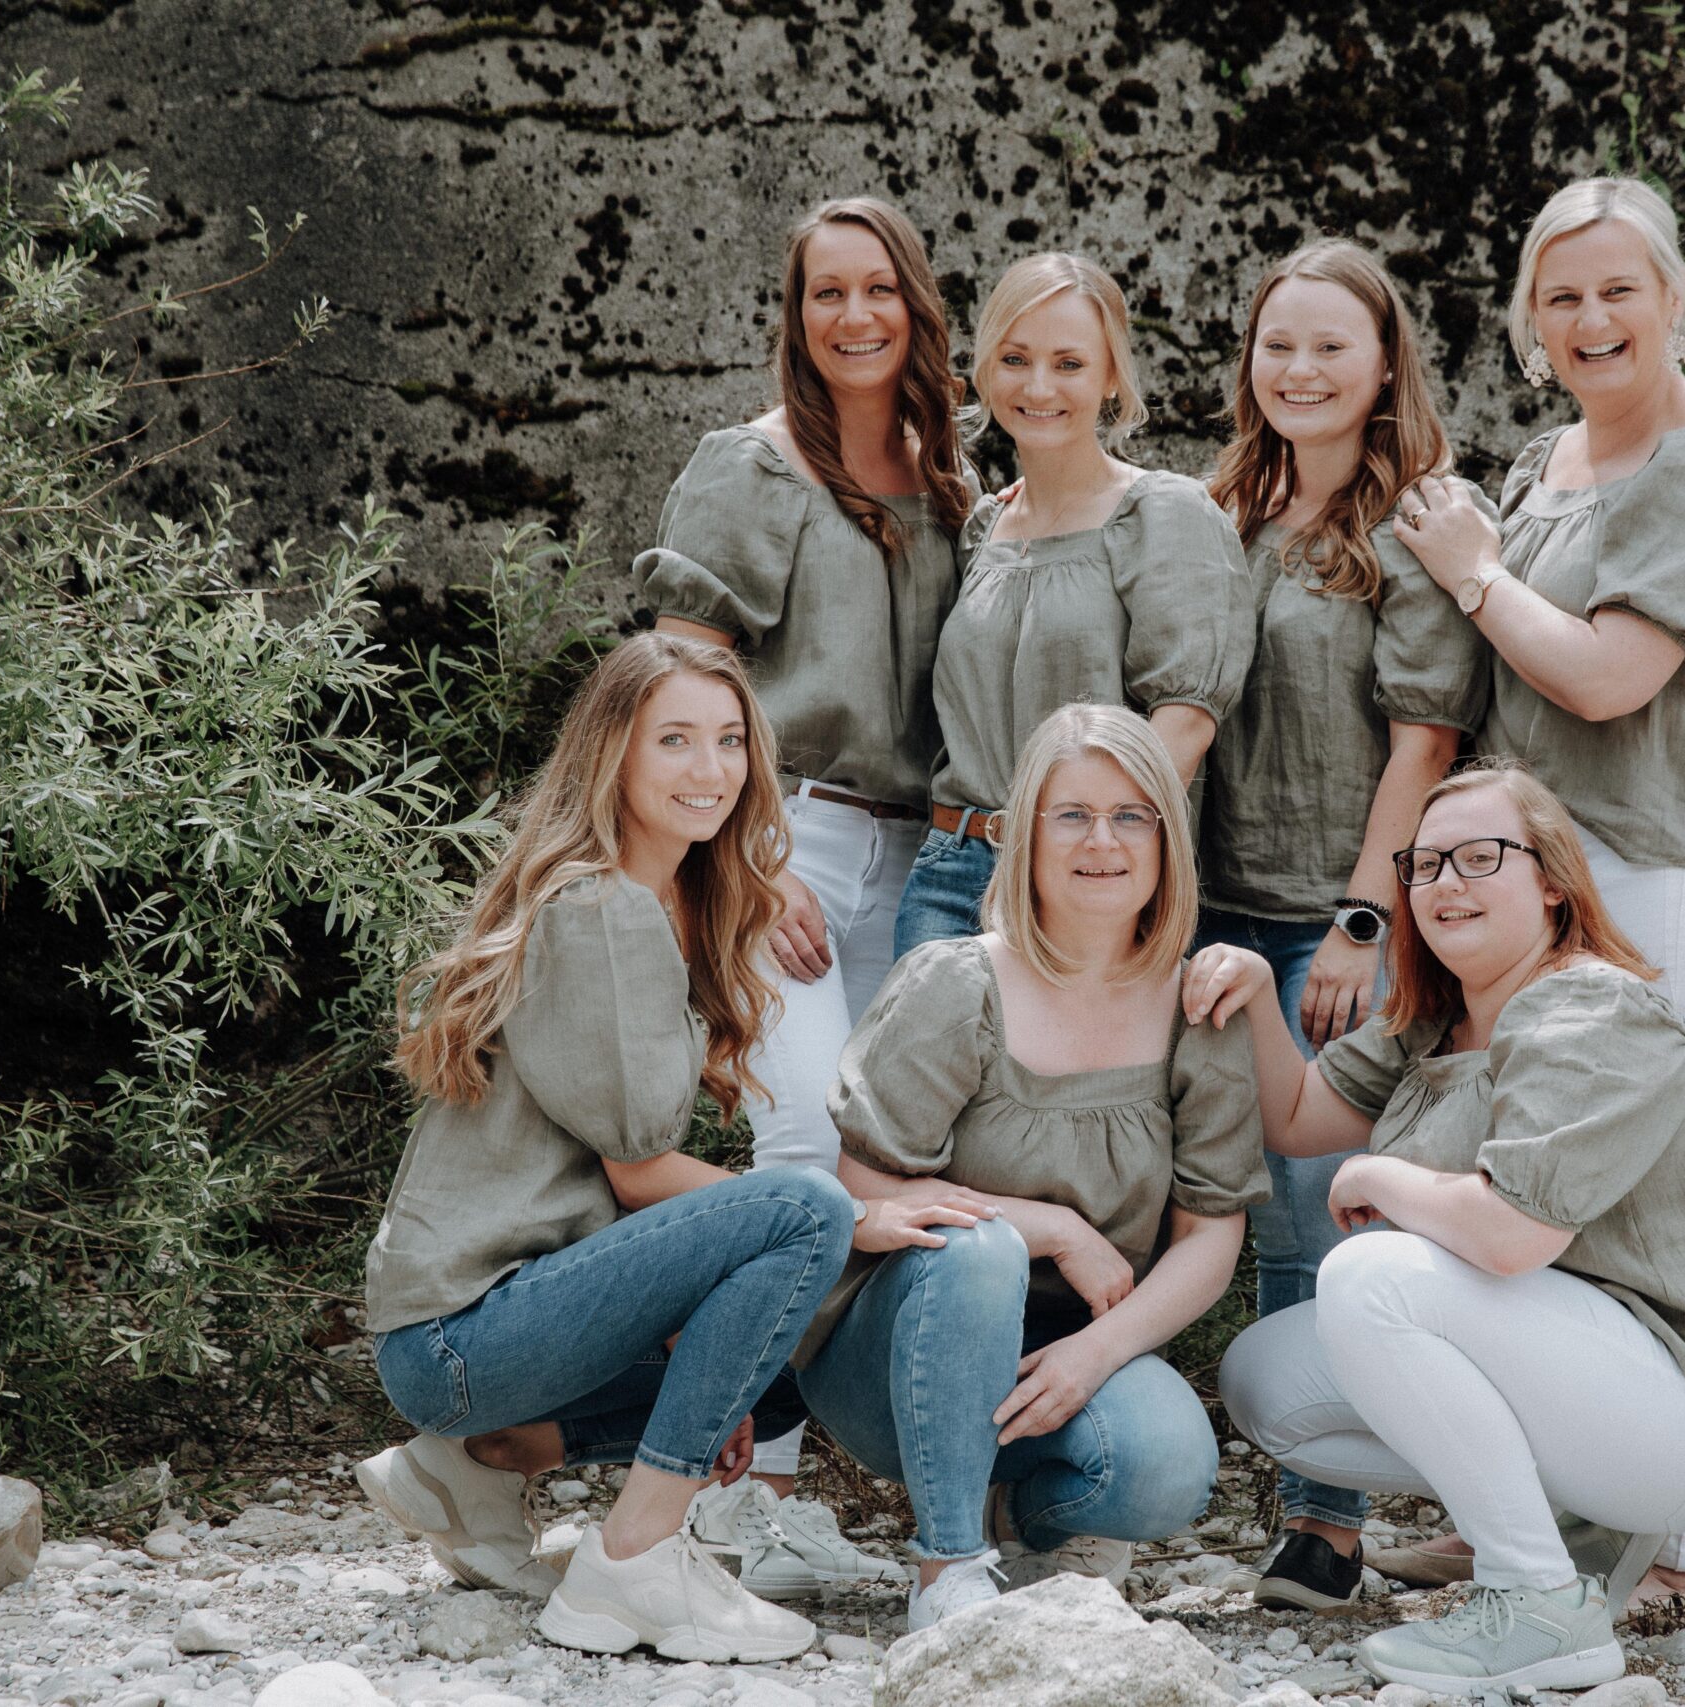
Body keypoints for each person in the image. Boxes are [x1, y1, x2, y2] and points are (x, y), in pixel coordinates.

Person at [354, 634, 979, 1661]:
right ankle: (635, 1558)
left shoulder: (669, 902)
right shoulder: (600, 909)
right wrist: (858, 1216)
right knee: (811, 1215)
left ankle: (473, 1465)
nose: (711, 768)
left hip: (512, 1326)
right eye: (675, 740)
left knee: (797, 1339)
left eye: (731, 741)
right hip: (465, 1333)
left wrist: (718, 1337)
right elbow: (639, 1172)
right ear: (615, 754)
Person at [1196, 761, 1685, 1694]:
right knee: (1267, 1376)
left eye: (1481, 856)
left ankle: (1536, 1602)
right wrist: (1251, 990)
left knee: (1371, 1278)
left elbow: (1513, 1237)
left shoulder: (1591, 1008)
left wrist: (1380, 1175)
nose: (1446, 881)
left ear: (1553, 880)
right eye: (1425, 863)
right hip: (1595, 1376)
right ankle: (1575, 1530)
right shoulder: (1436, 1024)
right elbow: (1291, 1114)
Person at [630, 197, 974, 1592]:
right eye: (826, 292)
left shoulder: (955, 479)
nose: (853, 316)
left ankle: (877, 1472)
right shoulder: (753, 468)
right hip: (792, 839)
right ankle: (744, 1490)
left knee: (896, 1159)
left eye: (878, 289)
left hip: (928, 856)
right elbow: (674, 683)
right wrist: (745, 861)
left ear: (917, 307)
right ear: (795, 313)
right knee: (799, 1145)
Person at [798, 703, 1268, 1631]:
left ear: (1167, 839)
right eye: (1073, 815)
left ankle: (1024, 1519)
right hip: (900, 1350)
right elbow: (864, 1190)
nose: (1103, 841)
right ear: (1025, 835)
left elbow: (1211, 1236)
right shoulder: (957, 982)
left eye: (1131, 816)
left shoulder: (1197, 1007)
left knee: (1167, 1465)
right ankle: (945, 1564)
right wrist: (1053, 1228)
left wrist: (1099, 1351)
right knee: (982, 1250)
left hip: (1064, 1353)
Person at [1196, 239, 1490, 1611]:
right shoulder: (1215, 511)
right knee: (1224, 1205)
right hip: (1203, 910)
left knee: (1321, 1215)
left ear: (1384, 366)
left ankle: (1328, 1523)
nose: (1300, 369)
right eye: (1279, 345)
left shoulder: (1412, 523)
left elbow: (1425, 739)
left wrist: (1366, 919)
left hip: (1335, 920)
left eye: (1331, 346)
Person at [1395, 174, 1685, 1110]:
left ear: (1672, 300)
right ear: (1534, 319)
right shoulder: (1540, 465)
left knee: (1663, 1168)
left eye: (1618, 290)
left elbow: (1609, 679)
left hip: (1663, 869)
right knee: (1528, 1164)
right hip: (1529, 875)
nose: (1592, 319)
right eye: (1563, 297)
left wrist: (1475, 574)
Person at [892, 252, 1254, 956]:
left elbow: (1184, 726)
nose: (1038, 386)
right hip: (949, 871)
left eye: (1069, 364)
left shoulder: (1164, 514)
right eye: (1015, 359)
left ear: (1111, 375)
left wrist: (1084, 857)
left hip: (1086, 874)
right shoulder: (984, 526)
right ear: (985, 369)